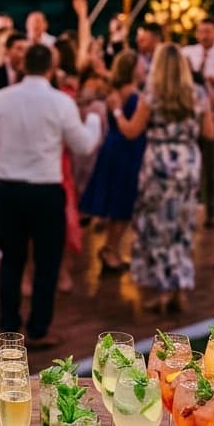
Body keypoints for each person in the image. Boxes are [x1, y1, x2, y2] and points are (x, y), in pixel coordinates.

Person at [0, 43, 103, 349]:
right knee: (47, 261)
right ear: (51, 68)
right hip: (45, 190)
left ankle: (9, 328)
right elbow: (84, 145)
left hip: (8, 188)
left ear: (23, 66)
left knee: (11, 259)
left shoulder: (1, 98)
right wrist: (93, 120)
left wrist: (0, 171)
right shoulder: (60, 102)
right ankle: (38, 330)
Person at [115, 44, 214, 314]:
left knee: (157, 226)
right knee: (182, 224)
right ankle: (178, 286)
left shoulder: (151, 96)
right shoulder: (198, 94)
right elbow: (209, 133)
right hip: (187, 162)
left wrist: (116, 112)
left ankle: (162, 289)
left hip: (159, 163)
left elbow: (132, 131)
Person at [78, 50, 146, 274]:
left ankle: (111, 248)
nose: (144, 68)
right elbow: (130, 127)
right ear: (132, 69)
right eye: (140, 65)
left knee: (120, 201)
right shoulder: (131, 94)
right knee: (122, 202)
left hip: (115, 146)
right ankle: (110, 250)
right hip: (126, 149)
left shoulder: (115, 90)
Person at [181, 17, 214, 227]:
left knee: (212, 166)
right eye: (201, 31)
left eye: (208, 31)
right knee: (189, 164)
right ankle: (190, 206)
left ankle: (212, 210)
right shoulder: (187, 53)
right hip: (189, 117)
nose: (204, 36)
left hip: (213, 118)